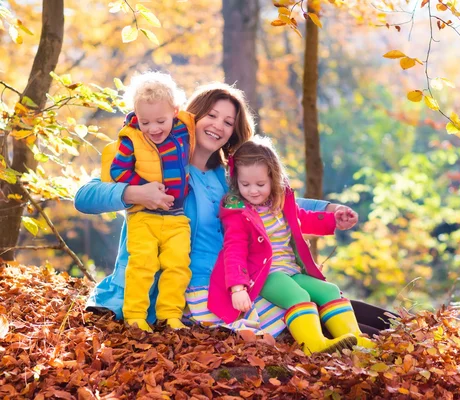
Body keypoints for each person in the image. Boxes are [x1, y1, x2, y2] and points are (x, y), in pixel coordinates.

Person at [75, 81, 396, 337]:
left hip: (231, 282)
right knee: (304, 317)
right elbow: (85, 196)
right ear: (190, 116)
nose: (218, 126)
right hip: (185, 292)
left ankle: (396, 330)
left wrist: (329, 210)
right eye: (211, 115)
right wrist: (135, 192)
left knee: (354, 311)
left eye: (228, 121)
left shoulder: (226, 178)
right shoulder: (151, 162)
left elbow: (277, 202)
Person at [208, 137, 375, 355]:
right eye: (245, 184)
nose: (253, 191)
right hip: (265, 274)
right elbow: (234, 249)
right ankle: (315, 345)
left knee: (329, 290)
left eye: (260, 184)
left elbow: (303, 218)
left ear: (273, 178)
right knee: (298, 296)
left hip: (291, 270)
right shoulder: (238, 211)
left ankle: (356, 339)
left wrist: (334, 219)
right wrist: (237, 288)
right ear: (236, 181)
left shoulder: (279, 201)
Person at [101, 72, 194, 332]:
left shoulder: (185, 130)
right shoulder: (131, 139)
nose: (153, 128)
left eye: (161, 120)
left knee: (177, 265)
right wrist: (144, 189)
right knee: (142, 264)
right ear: (136, 115)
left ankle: (170, 315)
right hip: (143, 216)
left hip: (176, 217)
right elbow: (118, 172)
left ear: (175, 111)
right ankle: (134, 315)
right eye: (145, 121)